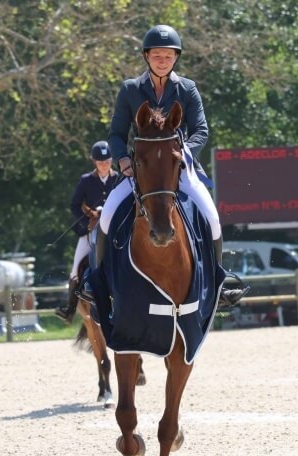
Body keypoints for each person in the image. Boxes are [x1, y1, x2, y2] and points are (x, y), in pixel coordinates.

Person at [101, 24, 246, 307]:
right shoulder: (130, 89)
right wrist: (123, 159)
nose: (162, 60)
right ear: (147, 56)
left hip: (181, 168)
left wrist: (183, 155)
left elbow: (201, 130)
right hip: (139, 170)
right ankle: (97, 283)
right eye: (157, 55)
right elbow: (117, 134)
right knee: (107, 215)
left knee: (212, 218)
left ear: (175, 58)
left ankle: (218, 283)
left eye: (168, 55)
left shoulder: (187, 88)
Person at [55, 141, 118, 324]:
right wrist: (85, 222)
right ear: (94, 162)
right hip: (90, 231)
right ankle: (69, 309)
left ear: (111, 160)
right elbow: (74, 206)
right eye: (100, 162)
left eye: (106, 161)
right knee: (76, 269)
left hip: (113, 232)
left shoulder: (119, 179)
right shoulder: (86, 181)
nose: (104, 165)